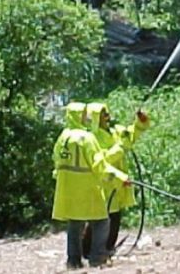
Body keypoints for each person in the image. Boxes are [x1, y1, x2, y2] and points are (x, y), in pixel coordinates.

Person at [51, 102, 130, 269]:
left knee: (74, 224)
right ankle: (97, 257)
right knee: (101, 221)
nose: (86, 118)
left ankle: (73, 261)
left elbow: (56, 162)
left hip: (68, 189)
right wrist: (120, 178)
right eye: (83, 114)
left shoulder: (63, 137)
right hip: (87, 187)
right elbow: (99, 164)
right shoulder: (87, 138)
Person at [86, 102, 150, 255]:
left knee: (115, 218)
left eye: (107, 113)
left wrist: (140, 121)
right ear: (95, 118)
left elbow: (132, 134)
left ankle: (108, 249)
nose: (108, 117)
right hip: (104, 184)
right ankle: (88, 250)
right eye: (104, 115)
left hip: (117, 183)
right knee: (100, 219)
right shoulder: (92, 139)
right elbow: (104, 159)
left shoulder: (116, 132)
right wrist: (121, 147)